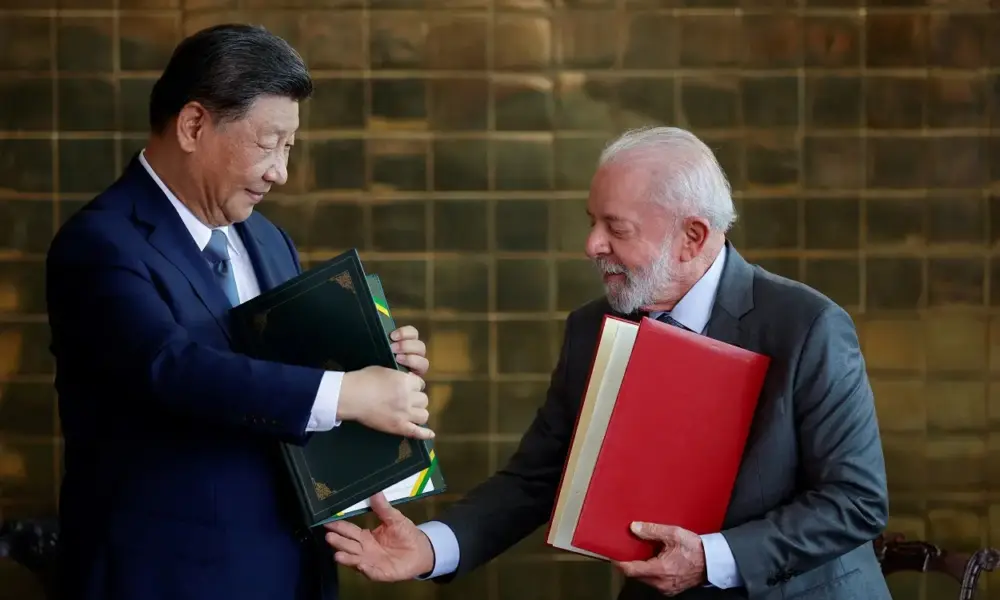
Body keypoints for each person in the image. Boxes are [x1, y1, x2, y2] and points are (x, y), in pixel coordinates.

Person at [323, 126, 892, 599]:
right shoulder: (591, 328)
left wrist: (711, 558)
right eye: (592, 221)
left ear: (692, 237)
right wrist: (430, 546)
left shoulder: (808, 326)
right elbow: (539, 477)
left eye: (616, 228)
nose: (591, 245)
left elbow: (856, 501)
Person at [45, 24, 433, 600]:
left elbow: (284, 384)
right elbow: (169, 367)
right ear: (193, 125)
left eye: (289, 147)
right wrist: (348, 392)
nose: (280, 171)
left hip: (293, 570)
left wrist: (376, 362)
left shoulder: (269, 239)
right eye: (268, 143)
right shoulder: (100, 243)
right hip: (169, 578)